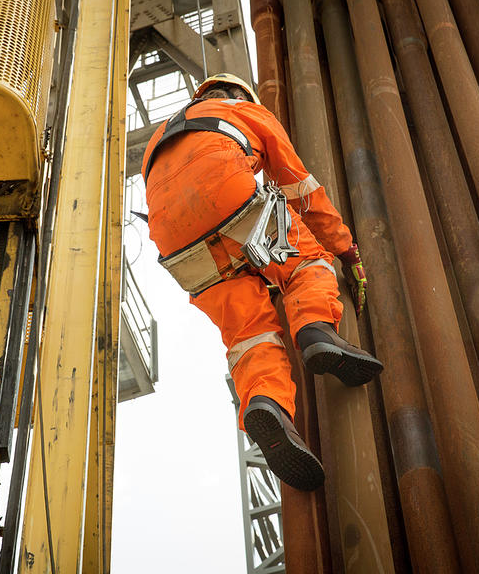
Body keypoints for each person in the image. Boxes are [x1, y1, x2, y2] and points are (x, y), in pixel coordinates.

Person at [141, 73, 383, 491]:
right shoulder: (241, 110)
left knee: (248, 332)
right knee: (306, 263)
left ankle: (267, 405)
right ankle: (315, 331)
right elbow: (299, 188)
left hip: (175, 240)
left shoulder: (158, 139)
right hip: (226, 192)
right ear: (239, 94)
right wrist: (344, 250)